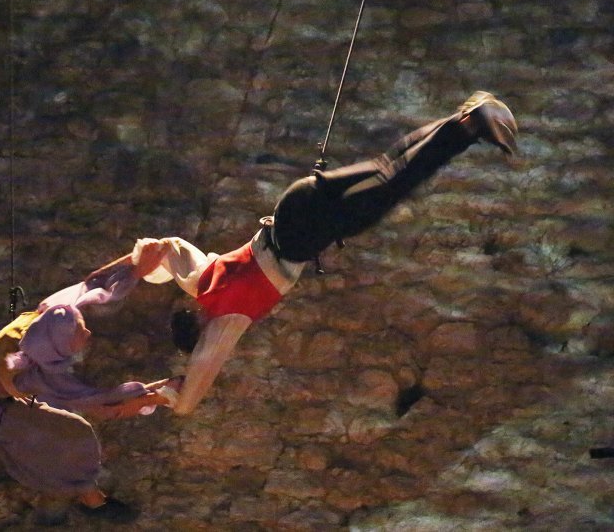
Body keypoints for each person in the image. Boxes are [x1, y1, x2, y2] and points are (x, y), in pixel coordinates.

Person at [128, 91, 518, 415]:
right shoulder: (200, 279)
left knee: (396, 180)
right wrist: (135, 268)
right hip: (294, 204)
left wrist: (169, 396)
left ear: (201, 333)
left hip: (306, 232)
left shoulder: (225, 321)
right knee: (387, 168)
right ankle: (467, 117)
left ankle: (471, 124)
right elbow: (167, 248)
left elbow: (197, 384)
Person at [0, 242, 181, 521]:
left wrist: (137, 265)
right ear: (57, 347)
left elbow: (91, 286)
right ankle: (91, 499)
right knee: (73, 435)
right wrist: (159, 395)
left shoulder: (51, 314)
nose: (87, 333)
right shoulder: (34, 378)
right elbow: (102, 405)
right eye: (79, 334)